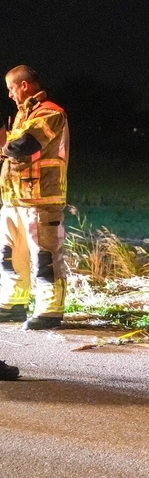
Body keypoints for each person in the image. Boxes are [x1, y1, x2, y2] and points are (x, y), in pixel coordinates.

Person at [0, 65, 70, 330]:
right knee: (10, 256)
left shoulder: (50, 112)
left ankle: (50, 310)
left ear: (24, 86)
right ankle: (13, 304)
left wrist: (3, 145)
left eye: (11, 88)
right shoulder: (21, 115)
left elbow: (25, 145)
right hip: (14, 200)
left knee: (45, 257)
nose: (9, 95)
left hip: (41, 200)